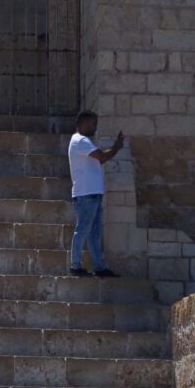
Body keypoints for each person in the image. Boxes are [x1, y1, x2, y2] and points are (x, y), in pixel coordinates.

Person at [67, 110, 124, 276]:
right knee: (83, 230)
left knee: (94, 234)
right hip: (87, 195)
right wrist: (116, 147)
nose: (95, 127)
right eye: (93, 124)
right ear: (84, 124)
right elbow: (102, 157)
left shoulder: (82, 141)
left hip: (92, 194)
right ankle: (75, 265)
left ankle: (100, 267)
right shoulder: (80, 141)